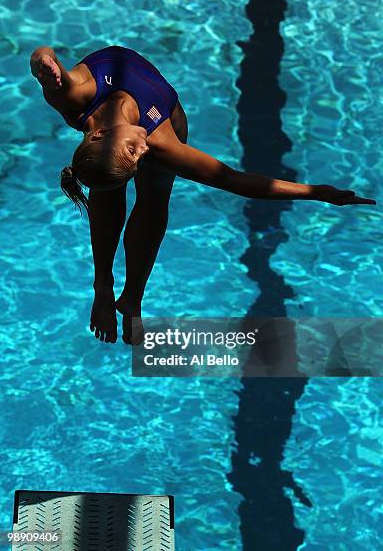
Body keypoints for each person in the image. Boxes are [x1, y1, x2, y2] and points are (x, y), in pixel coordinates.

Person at [30, 44, 376, 345]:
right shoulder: (157, 143)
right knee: (114, 190)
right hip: (158, 127)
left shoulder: (73, 95)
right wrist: (316, 192)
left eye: (133, 152)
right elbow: (240, 181)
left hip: (136, 130)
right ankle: (103, 286)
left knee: (145, 197)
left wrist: (44, 62)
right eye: (137, 157)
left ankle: (131, 295)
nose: (142, 152)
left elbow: (41, 57)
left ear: (99, 133)